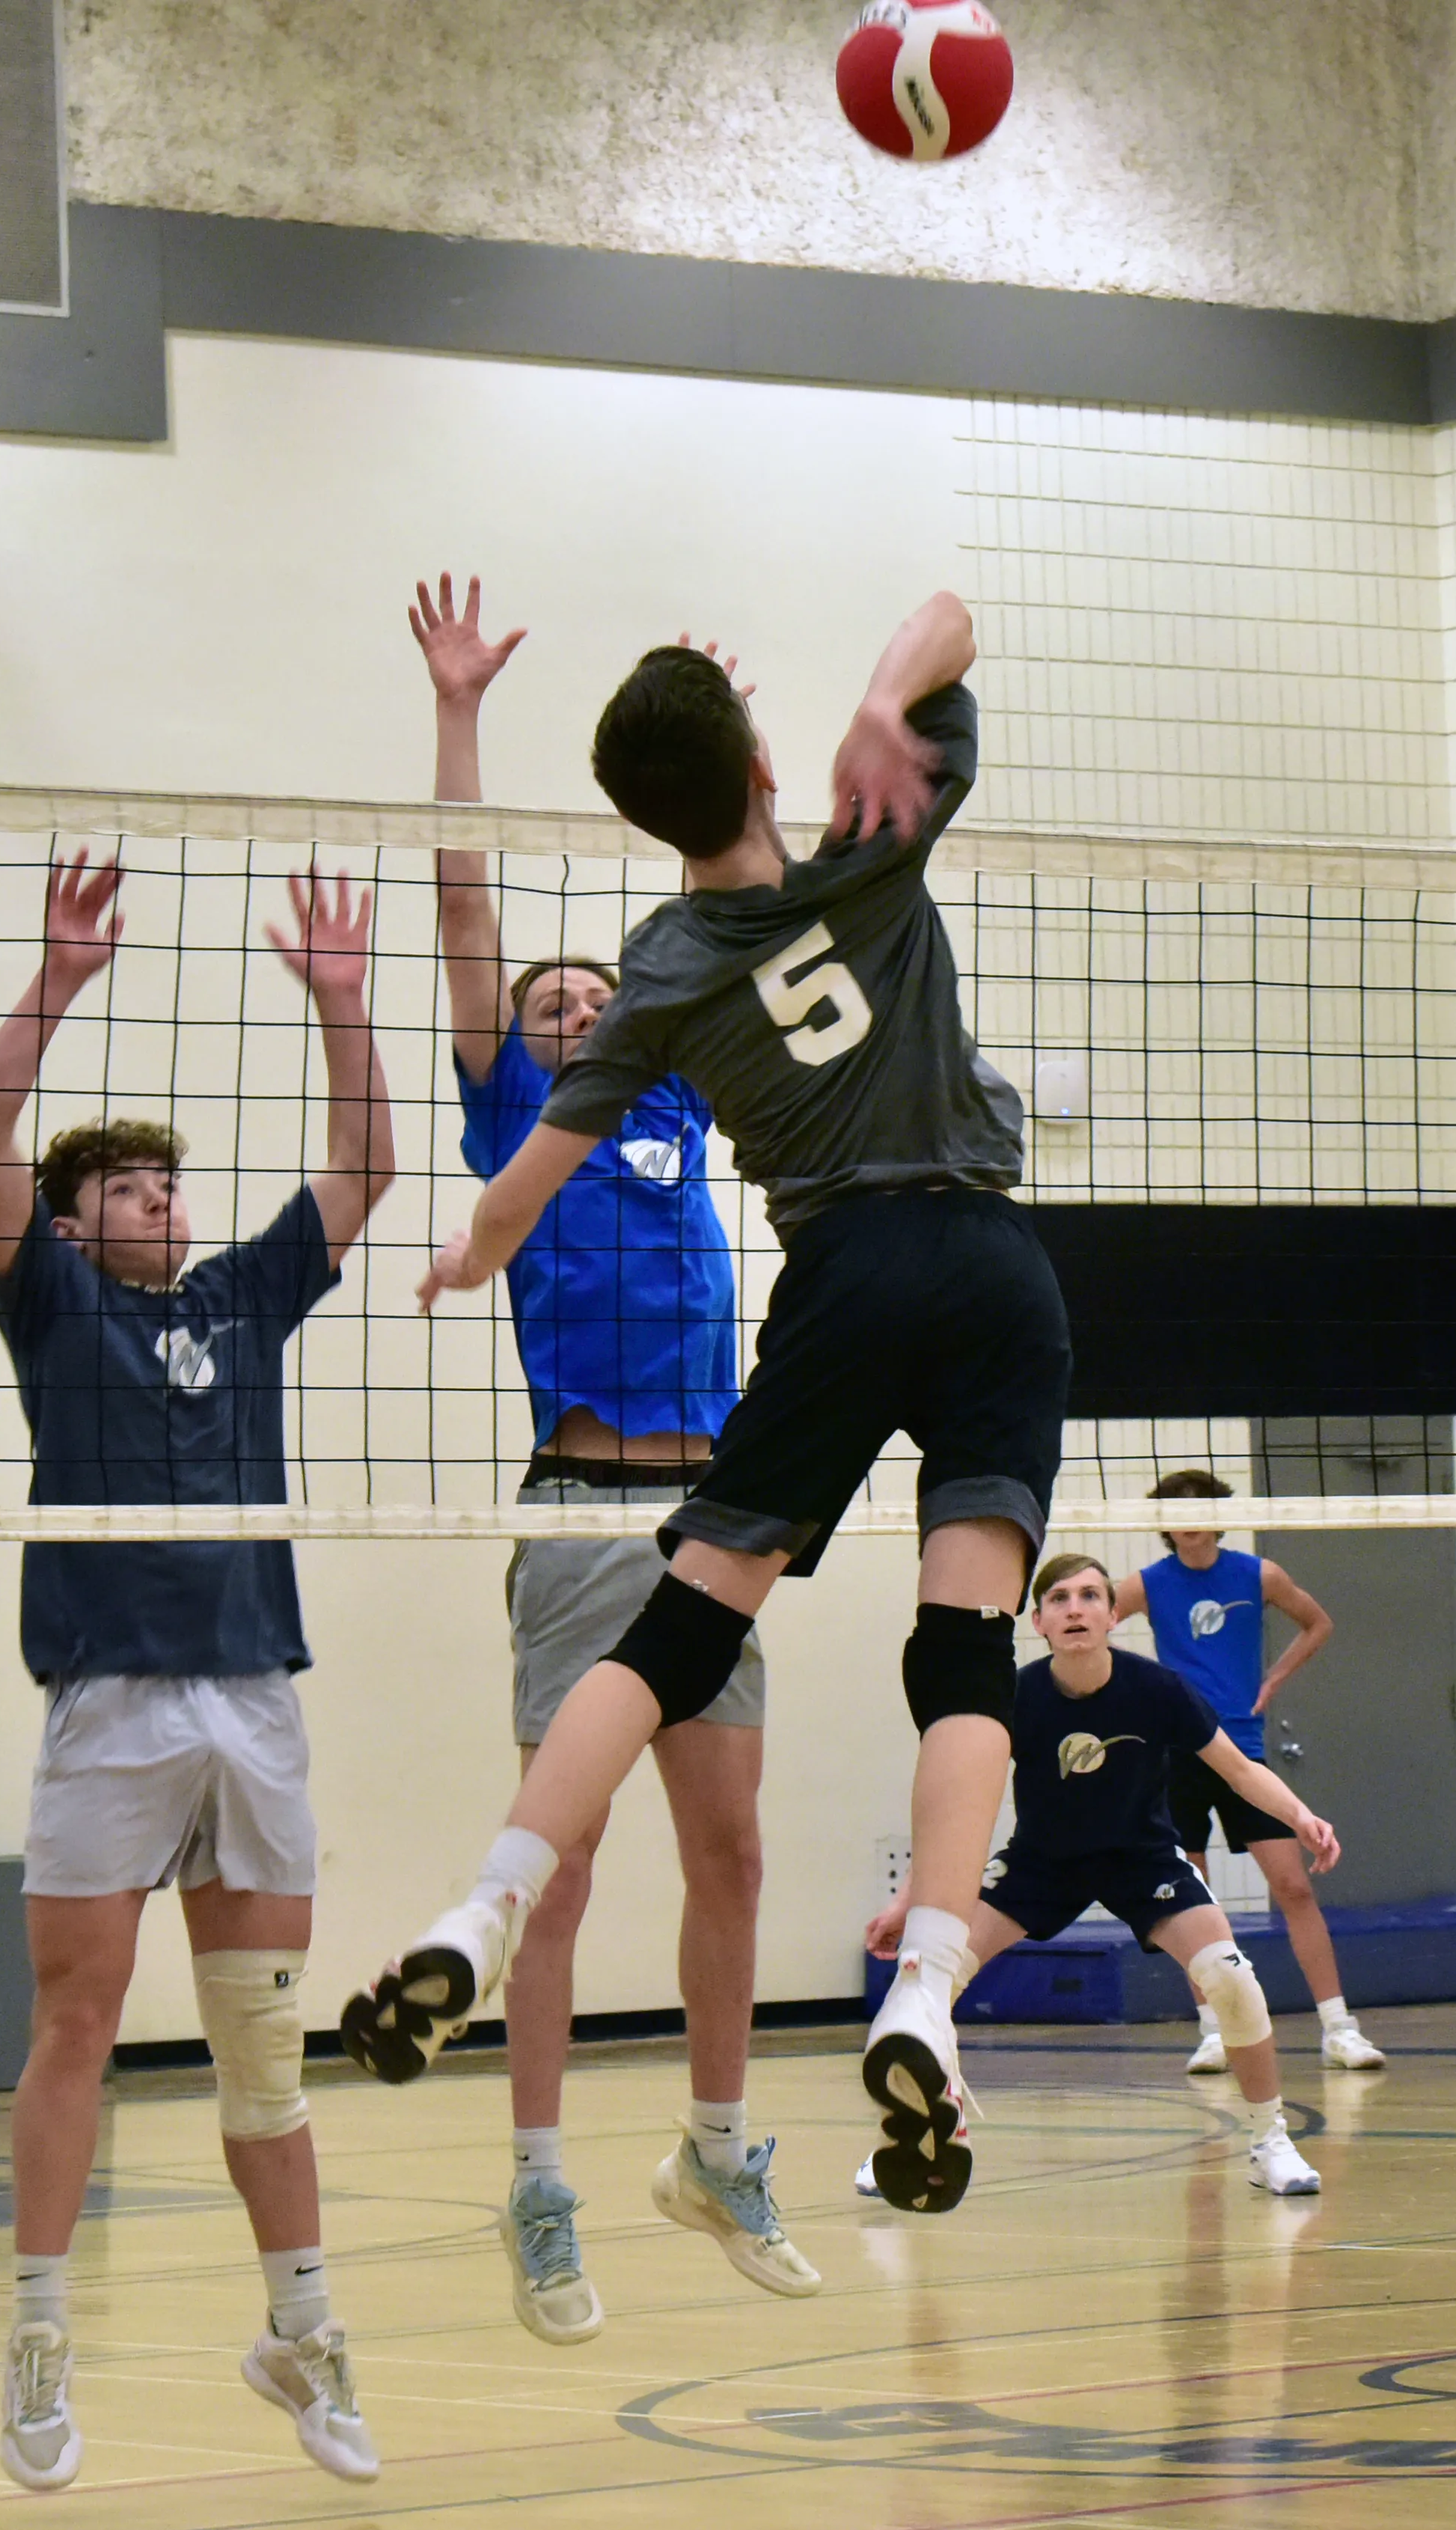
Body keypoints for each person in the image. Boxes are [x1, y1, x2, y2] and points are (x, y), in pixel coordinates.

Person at [364, 593, 1065, 2222]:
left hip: (846, 1276)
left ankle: (486, 1908)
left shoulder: (659, 980)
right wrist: (883, 693)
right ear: (765, 761)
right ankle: (929, 1984)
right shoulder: (874, 835)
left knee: (681, 1631)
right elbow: (952, 615)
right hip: (995, 1267)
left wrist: (471, 1253)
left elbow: (520, 1190)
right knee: (966, 1643)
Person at [0, 843, 394, 2493]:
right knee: (77, 2020)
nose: (164, 1201)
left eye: (168, 1185)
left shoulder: (241, 1296)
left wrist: (346, 1010)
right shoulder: (53, 1306)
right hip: (114, 1705)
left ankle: (304, 2326)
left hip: (253, 1696)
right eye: (132, 1187)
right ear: (74, 1225)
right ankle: (39, 2334)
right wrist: (60, 981)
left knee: (264, 2044)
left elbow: (370, 1166)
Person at [408, 575, 811, 2347]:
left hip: (716, 1511)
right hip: (582, 1508)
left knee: (728, 1856)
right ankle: (540, 2185)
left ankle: (717, 2144)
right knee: (553, 1871)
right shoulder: (525, 1110)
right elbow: (463, 900)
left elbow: (743, 914)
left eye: (590, 987)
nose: (571, 1002)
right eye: (545, 995)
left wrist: (711, 742)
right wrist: (460, 712)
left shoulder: (673, 1085)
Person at [866, 1555, 1335, 2197]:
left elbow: (1240, 1771)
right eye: (1059, 1598)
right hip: (1041, 1861)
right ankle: (911, 2140)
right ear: (1037, 1621)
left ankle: (1269, 2141)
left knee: (1229, 1977)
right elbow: (953, 1808)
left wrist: (1301, 1816)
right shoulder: (1012, 1695)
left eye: (1090, 1595)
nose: (1076, 1608)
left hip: (1141, 1858)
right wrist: (906, 1902)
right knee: (928, 1980)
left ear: (1114, 1614)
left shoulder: (1157, 1689)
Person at [1117, 1471, 1379, 2077]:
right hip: (1178, 1756)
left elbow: (1318, 1623)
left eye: (1198, 1507)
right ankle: (1213, 2032)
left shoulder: (1258, 1575)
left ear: (1218, 1515)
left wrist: (1275, 1680)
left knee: (1293, 1886)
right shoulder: (1146, 1585)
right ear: (1161, 1522)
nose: (1188, 1519)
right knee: (1192, 1900)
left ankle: (1339, 2027)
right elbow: (1091, 1631)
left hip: (1244, 1751)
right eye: (1175, 1510)